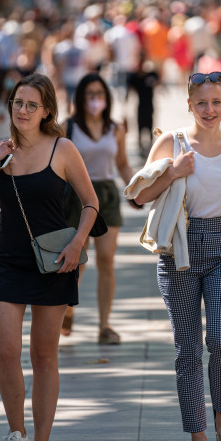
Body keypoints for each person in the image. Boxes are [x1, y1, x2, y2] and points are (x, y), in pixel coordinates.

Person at [0, 73, 99, 441]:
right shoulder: (1, 152)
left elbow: (91, 203)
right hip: (7, 260)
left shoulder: (62, 149)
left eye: (31, 105)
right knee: (6, 351)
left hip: (55, 261)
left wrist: (77, 244)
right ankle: (16, 434)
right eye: (17, 103)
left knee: (43, 355)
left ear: (46, 111)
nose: (22, 110)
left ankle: (41, 440)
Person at [133, 71, 221, 441]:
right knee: (188, 348)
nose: (209, 109)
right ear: (189, 105)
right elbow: (138, 196)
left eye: (216, 102)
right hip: (179, 249)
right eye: (201, 102)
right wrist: (174, 173)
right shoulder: (173, 141)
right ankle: (197, 434)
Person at [61, 73, 136, 343]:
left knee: (107, 260)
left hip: (106, 194)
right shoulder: (67, 127)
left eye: (100, 94)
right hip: (76, 196)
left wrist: (135, 188)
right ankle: (67, 308)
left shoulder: (116, 128)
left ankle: (104, 326)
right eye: (90, 94)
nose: (95, 100)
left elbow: (123, 163)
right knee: (76, 261)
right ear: (80, 98)